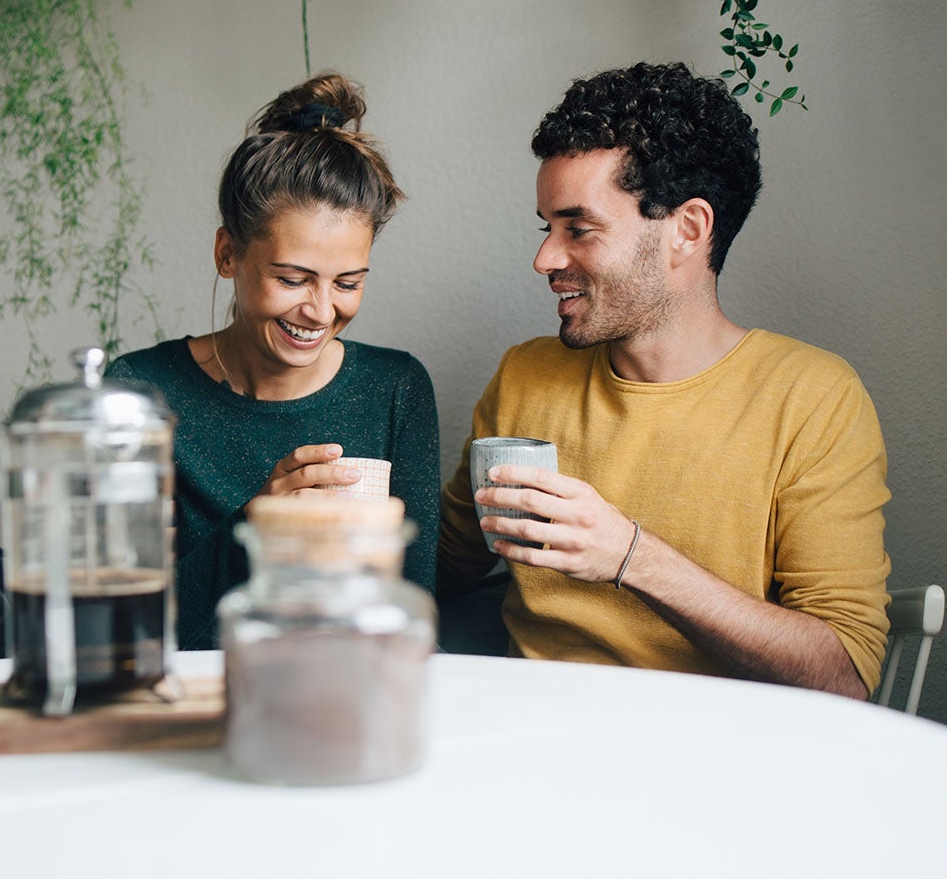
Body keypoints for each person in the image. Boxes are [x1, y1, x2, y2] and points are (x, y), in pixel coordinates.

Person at [438, 62, 890, 699]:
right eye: (547, 228)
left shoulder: (811, 399)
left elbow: (843, 677)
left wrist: (631, 557)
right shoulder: (526, 376)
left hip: (716, 763)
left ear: (688, 229)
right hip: (531, 745)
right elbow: (443, 566)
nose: (545, 257)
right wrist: (319, 521)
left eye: (579, 228)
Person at [108, 72, 439, 650]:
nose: (320, 310)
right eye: (292, 279)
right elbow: (122, 627)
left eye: (349, 283)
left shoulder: (396, 388)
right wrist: (255, 529)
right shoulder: (137, 394)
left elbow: (414, 621)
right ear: (228, 253)